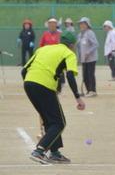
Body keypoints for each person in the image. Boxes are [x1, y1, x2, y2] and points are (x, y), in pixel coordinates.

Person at [22, 31, 86, 164]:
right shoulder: (69, 53)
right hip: (44, 86)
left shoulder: (43, 49)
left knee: (49, 121)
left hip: (28, 83)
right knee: (59, 123)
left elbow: (23, 70)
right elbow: (69, 75)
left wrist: (32, 85)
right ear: (72, 45)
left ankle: (55, 153)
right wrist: (78, 97)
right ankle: (39, 151)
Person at [77, 17, 99, 97]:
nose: (81, 25)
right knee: (85, 75)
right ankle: (88, 90)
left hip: (91, 58)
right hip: (84, 59)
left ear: (87, 24)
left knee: (90, 74)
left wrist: (88, 52)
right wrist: (79, 57)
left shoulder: (90, 33)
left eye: (83, 23)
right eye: (80, 24)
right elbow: (79, 47)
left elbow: (96, 44)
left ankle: (93, 90)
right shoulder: (80, 34)